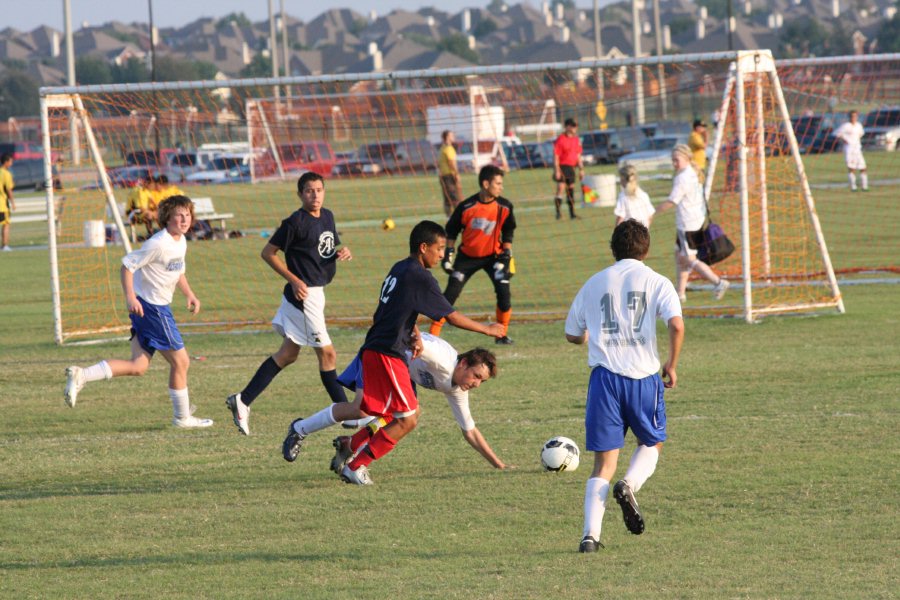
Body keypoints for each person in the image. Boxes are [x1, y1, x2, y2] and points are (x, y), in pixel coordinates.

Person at [281, 220, 504, 485]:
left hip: (378, 346)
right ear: (424, 248)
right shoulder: (421, 276)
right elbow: (452, 317)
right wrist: (487, 329)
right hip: (388, 352)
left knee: (363, 410)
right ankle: (357, 465)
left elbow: (393, 310)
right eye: (440, 248)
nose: (443, 254)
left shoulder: (400, 268)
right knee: (408, 419)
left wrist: (414, 332)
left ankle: (303, 429)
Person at [565, 219, 684, 552]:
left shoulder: (593, 283)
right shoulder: (657, 281)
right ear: (646, 249)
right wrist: (671, 365)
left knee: (603, 462)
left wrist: (586, 336)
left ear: (612, 249)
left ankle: (590, 537)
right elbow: (675, 324)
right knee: (653, 441)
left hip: (604, 379)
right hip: (644, 377)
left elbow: (572, 333)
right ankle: (630, 484)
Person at [63, 195, 214, 428]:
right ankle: (182, 418)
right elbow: (127, 266)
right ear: (167, 218)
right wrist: (130, 297)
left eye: (188, 215)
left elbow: (178, 271)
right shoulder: (158, 243)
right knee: (181, 362)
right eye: (179, 215)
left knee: (138, 366)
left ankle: (81, 375)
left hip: (149, 309)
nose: (185, 219)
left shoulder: (180, 240)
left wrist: (190, 294)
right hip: (153, 309)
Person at [225, 172, 352, 436]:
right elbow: (267, 253)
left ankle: (243, 400)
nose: (315, 195)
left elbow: (331, 241)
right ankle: (349, 413)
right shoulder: (294, 222)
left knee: (288, 354)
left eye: (319, 189)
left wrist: (342, 250)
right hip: (304, 297)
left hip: (317, 294)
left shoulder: (327, 215)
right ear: (300, 194)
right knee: (327, 354)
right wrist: (294, 280)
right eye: (309, 191)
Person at [328, 333, 512, 474]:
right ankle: (354, 463)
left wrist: (499, 465)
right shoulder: (441, 360)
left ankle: (351, 444)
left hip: (401, 370)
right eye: (477, 376)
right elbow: (410, 338)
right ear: (463, 363)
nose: (477, 384)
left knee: (406, 415)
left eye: (482, 381)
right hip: (382, 352)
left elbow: (470, 431)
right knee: (402, 414)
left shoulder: (457, 388)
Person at [430, 165, 517, 345]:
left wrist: (507, 253)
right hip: (467, 257)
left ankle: (501, 334)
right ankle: (432, 336)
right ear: (486, 184)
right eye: (498, 183)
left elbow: (508, 231)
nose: (501, 187)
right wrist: (448, 255)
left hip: (494, 257)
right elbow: (451, 232)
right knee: (450, 295)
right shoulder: (466, 206)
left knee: (504, 293)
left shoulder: (505, 206)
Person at [654, 144, 730, 303]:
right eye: (672, 160)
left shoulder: (682, 178)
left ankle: (718, 282)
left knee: (688, 258)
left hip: (687, 224)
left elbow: (672, 201)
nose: (674, 163)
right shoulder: (691, 172)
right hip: (696, 220)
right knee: (679, 255)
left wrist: (651, 212)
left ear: (687, 158)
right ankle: (680, 293)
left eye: (677, 160)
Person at [552, 118, 583, 220]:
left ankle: (572, 214)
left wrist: (581, 169)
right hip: (562, 167)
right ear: (568, 127)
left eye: (576, 126)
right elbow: (556, 156)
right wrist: (556, 169)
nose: (575, 128)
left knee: (571, 190)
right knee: (560, 188)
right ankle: (558, 212)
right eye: (573, 126)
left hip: (571, 168)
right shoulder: (560, 139)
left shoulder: (576, 139)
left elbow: (578, 155)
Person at [833, 110, 868, 192]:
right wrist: (844, 139)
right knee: (851, 167)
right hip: (849, 149)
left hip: (857, 149)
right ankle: (853, 187)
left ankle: (865, 186)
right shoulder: (846, 126)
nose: (854, 118)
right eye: (852, 116)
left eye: (855, 116)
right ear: (849, 117)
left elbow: (861, 133)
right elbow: (836, 133)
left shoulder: (859, 125)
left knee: (863, 167)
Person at [614, 164, 655, 229]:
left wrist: (616, 234)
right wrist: (645, 230)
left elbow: (620, 217)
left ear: (623, 179)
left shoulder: (623, 196)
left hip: (628, 234)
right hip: (642, 235)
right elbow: (650, 215)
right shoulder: (643, 195)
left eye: (620, 178)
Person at [438, 130, 462, 217]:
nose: (453, 137)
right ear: (448, 137)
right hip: (449, 176)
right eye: (452, 135)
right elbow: (451, 162)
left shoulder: (442, 148)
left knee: (447, 198)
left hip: (443, 176)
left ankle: (448, 217)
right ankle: (459, 216)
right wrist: (456, 174)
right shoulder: (449, 148)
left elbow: (439, 163)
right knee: (454, 197)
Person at [125, 174, 158, 239]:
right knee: (149, 214)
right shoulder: (138, 191)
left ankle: (160, 233)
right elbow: (140, 208)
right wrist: (153, 213)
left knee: (160, 214)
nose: (154, 187)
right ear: (147, 183)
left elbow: (155, 204)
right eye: (153, 185)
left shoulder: (147, 191)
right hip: (132, 214)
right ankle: (151, 235)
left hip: (141, 213)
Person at [0, 153, 15, 251]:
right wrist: (13, 202)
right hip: (2, 205)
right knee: (6, 224)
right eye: (10, 162)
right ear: (6, 162)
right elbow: (8, 189)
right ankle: (5, 246)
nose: (11, 164)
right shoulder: (6, 174)